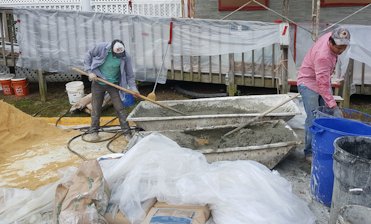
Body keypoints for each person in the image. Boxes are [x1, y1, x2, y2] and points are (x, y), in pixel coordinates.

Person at [297, 27, 350, 162]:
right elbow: (322, 85)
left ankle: (322, 146)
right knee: (313, 118)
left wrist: (330, 106)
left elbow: (324, 82)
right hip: (308, 82)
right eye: (338, 48)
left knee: (325, 116)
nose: (340, 51)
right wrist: (333, 106)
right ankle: (309, 152)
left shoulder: (330, 36)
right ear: (331, 42)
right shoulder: (323, 56)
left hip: (321, 79)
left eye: (343, 47)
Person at [83, 39, 139, 141]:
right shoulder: (101, 48)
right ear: (111, 50)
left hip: (113, 84)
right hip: (98, 82)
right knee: (96, 108)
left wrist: (134, 89)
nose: (119, 56)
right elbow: (88, 54)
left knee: (120, 108)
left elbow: (130, 75)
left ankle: (127, 133)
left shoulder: (126, 56)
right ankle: (94, 132)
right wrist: (89, 71)